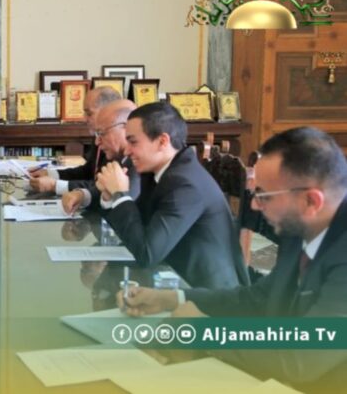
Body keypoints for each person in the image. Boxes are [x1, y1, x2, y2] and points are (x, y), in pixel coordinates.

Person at [120, 127, 347, 392]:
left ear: (311, 201)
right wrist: (173, 298)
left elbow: (300, 359)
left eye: (263, 196)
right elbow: (259, 298)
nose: (254, 206)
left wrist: (203, 330)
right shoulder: (303, 225)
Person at [95, 102, 247, 289]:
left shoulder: (185, 184)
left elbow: (147, 253)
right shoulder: (158, 172)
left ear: (162, 141)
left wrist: (120, 195)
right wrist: (110, 197)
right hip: (171, 279)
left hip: (204, 294)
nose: (126, 151)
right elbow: (137, 230)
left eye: (133, 142)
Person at [29, 86, 122, 194]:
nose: (84, 119)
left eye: (89, 113)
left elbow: (101, 186)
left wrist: (55, 185)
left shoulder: (117, 144)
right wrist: (52, 174)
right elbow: (88, 171)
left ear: (108, 112)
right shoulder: (97, 135)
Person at [61, 99, 140, 213]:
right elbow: (104, 190)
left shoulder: (139, 162)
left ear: (126, 128)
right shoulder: (120, 156)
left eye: (102, 133)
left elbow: (125, 211)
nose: (97, 142)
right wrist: (82, 195)